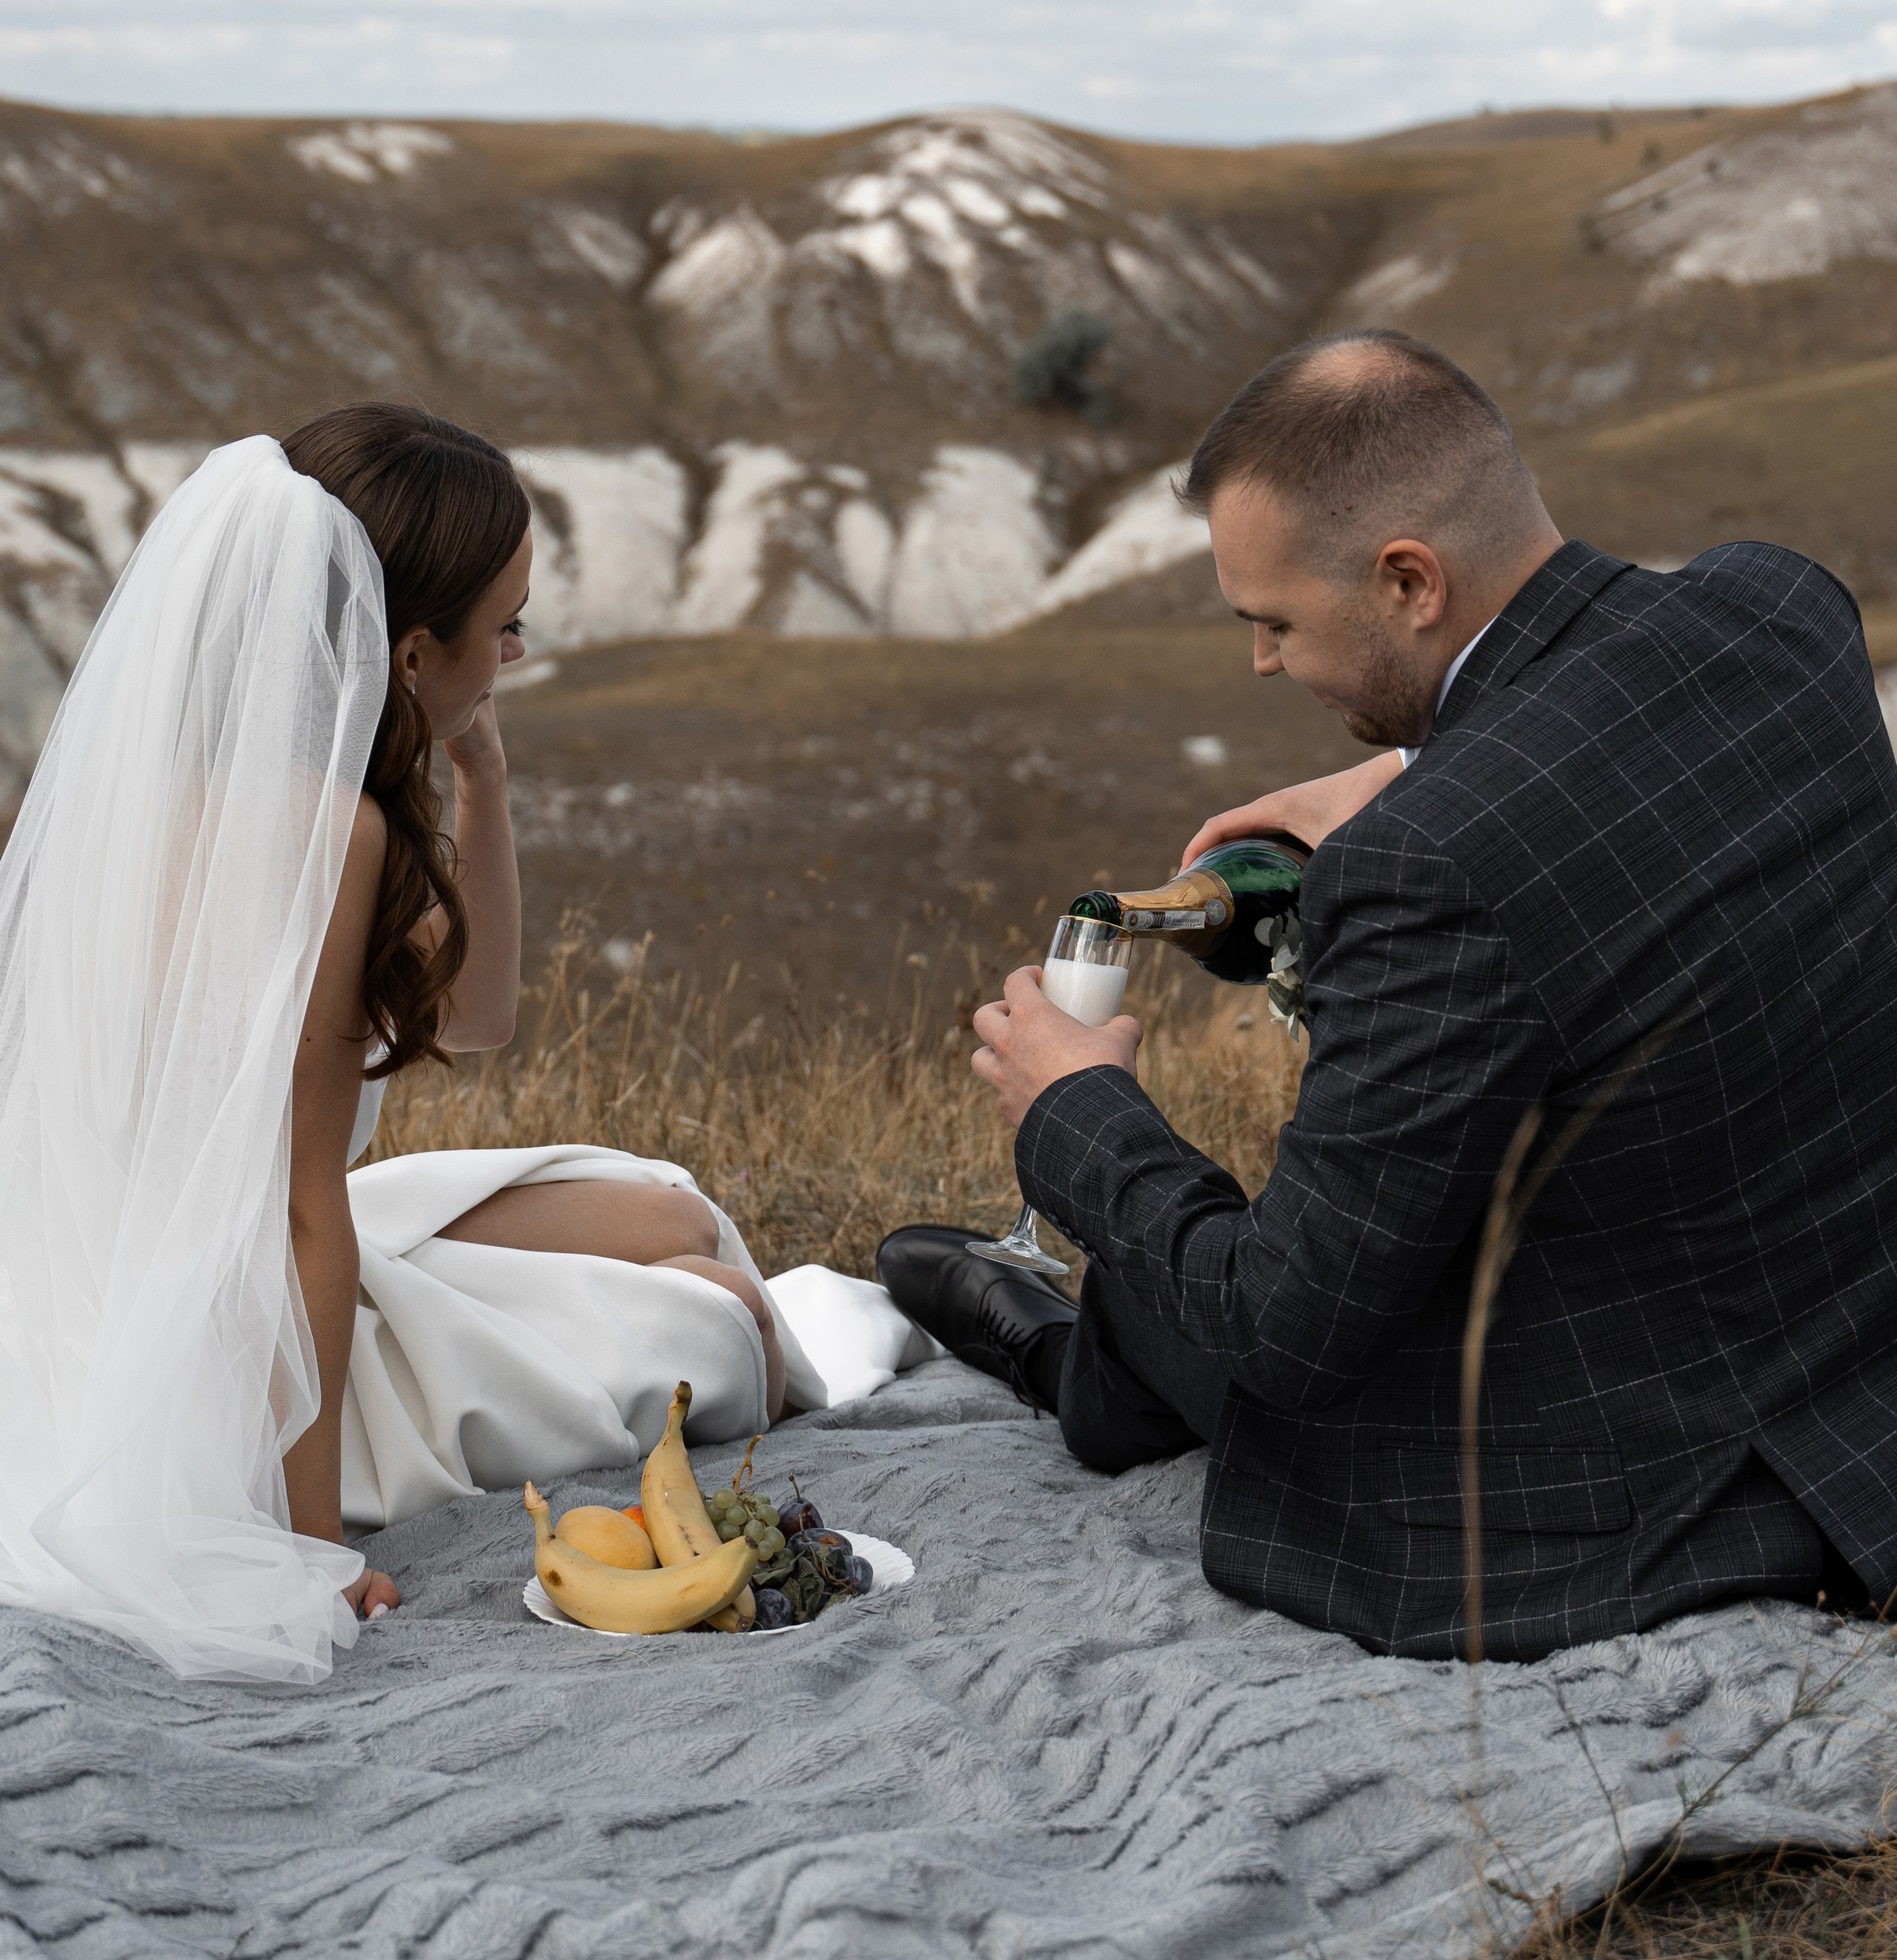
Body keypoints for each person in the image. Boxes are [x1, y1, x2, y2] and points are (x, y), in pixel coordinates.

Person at [880, 330, 1897, 1660]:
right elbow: (1613, 761)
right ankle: (1101, 1356)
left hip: (1654, 1447)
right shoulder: (1777, 608)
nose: (1262, 662)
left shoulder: (1430, 870)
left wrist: (1078, 1111)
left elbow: (1278, 1325)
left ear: (1409, 580)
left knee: (1213, 1287)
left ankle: (1076, 1362)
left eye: (1276, 622)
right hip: (1854, 1332)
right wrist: (1419, 766)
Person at [0, 411, 791, 1684]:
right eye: (506, 625)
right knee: (725, 1318)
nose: (518, 651)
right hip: (217, 1350)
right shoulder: (320, 830)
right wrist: (310, 1551)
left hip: (172, 1257)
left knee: (670, 1214)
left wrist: (479, 774)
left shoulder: (214, 782)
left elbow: (476, 1019)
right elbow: (298, 1219)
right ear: (411, 649)